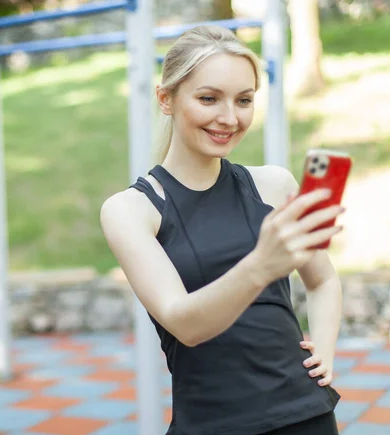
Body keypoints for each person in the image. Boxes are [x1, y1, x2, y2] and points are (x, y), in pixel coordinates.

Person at [100, 25, 343, 435]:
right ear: (166, 99)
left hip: (305, 414)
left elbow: (323, 281)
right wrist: (262, 263)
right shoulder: (131, 210)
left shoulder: (274, 185)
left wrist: (323, 348)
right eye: (209, 98)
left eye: (244, 100)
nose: (229, 118)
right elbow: (185, 324)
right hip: (211, 422)